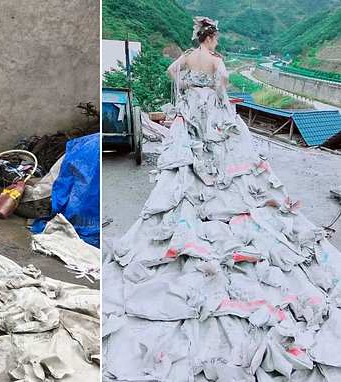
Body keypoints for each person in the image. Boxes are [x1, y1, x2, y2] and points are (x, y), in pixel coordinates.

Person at [102, 16, 341, 379]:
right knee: (229, 164)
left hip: (188, 116)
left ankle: (196, 203)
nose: (216, 43)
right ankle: (220, 202)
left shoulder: (185, 58)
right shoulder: (215, 62)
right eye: (216, 38)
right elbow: (222, 89)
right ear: (210, 36)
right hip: (211, 114)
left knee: (188, 166)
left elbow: (170, 74)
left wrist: (185, 90)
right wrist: (213, 97)